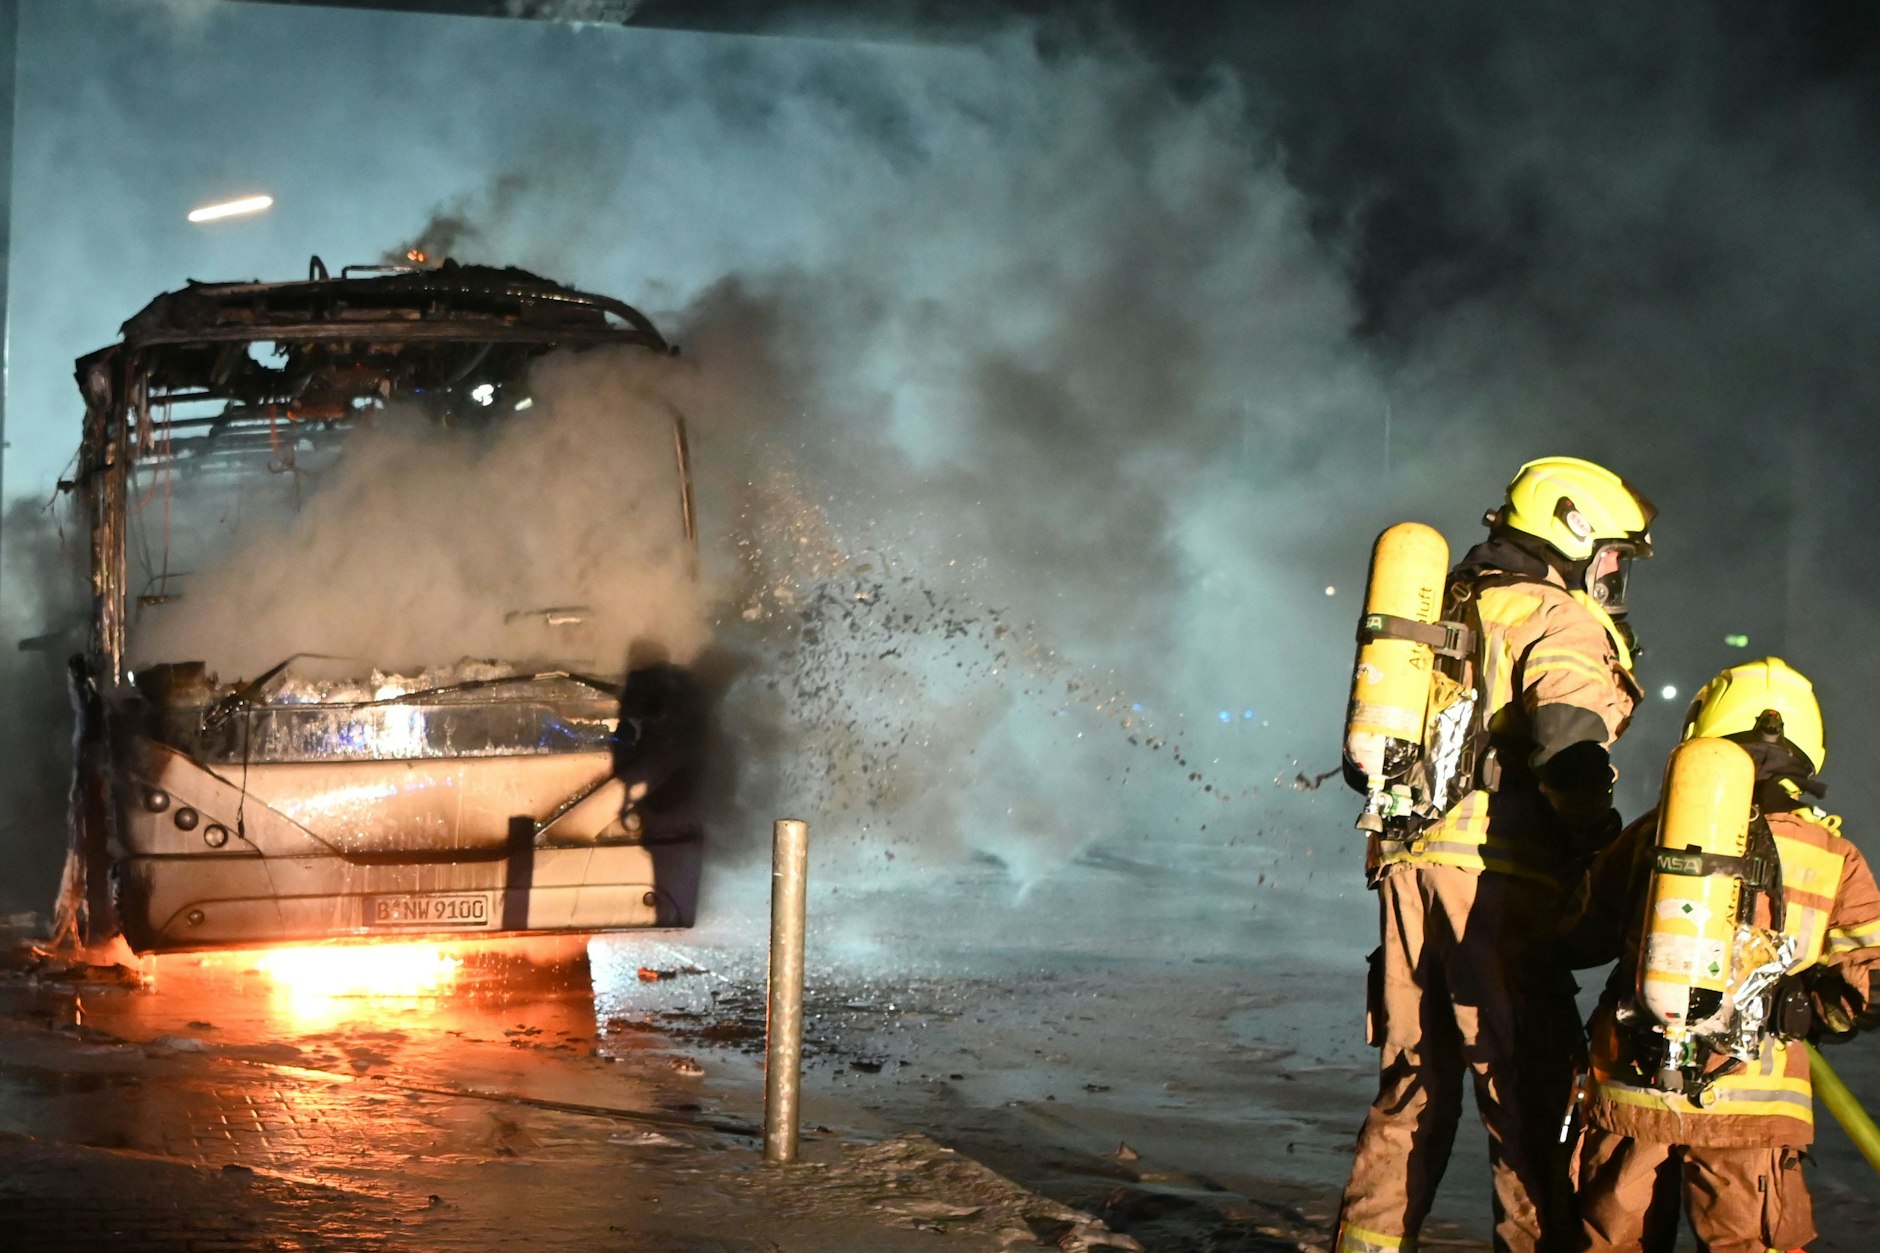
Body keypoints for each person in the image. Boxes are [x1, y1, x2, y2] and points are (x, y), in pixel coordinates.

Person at [1336, 456, 1655, 1253]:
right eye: (1611, 552)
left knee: (1413, 1086)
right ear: (1572, 529)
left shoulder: (1445, 608)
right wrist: (1595, 837)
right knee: (1528, 1093)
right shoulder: (1556, 616)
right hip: (1495, 883)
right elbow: (1568, 744)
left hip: (1408, 866)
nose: (1613, 572)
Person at [1566, 658, 1880, 1253]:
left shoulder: (1652, 833)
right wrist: (1811, 1008)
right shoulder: (1835, 856)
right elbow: (1865, 982)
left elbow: (1580, 935)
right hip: (1755, 1106)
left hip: (1635, 1090)